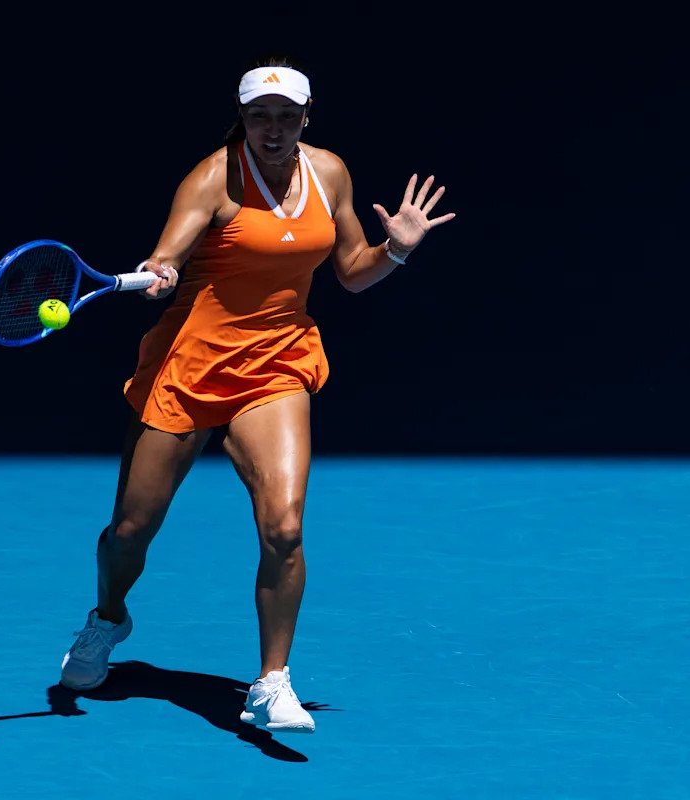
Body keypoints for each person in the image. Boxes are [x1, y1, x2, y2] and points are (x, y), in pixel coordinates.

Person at [58, 57, 456, 733]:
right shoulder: (212, 177)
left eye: (286, 116)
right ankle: (108, 618)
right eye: (259, 116)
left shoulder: (329, 173)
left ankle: (272, 682)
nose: (273, 129)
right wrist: (161, 270)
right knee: (130, 531)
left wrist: (396, 251)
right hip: (190, 366)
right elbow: (169, 253)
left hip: (276, 363)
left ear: (306, 118)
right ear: (241, 119)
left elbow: (352, 272)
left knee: (285, 527)